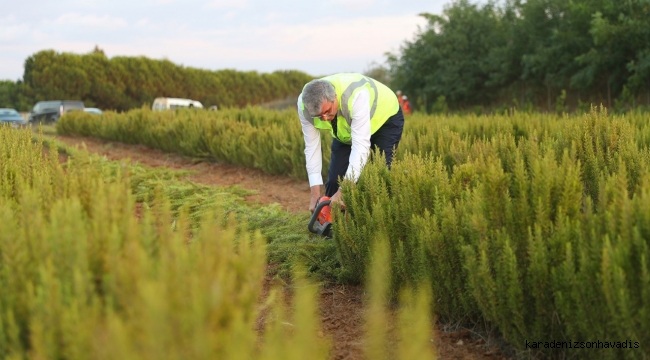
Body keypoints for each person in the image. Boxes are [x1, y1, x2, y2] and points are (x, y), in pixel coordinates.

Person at [297, 73, 405, 213]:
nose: (324, 119)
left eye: (327, 112)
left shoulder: (357, 95)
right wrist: (315, 194)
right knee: (334, 182)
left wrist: (344, 189)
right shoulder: (304, 106)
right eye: (318, 116)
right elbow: (312, 147)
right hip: (347, 128)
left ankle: (376, 220)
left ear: (335, 97)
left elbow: (360, 146)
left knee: (379, 176)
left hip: (385, 119)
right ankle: (334, 223)